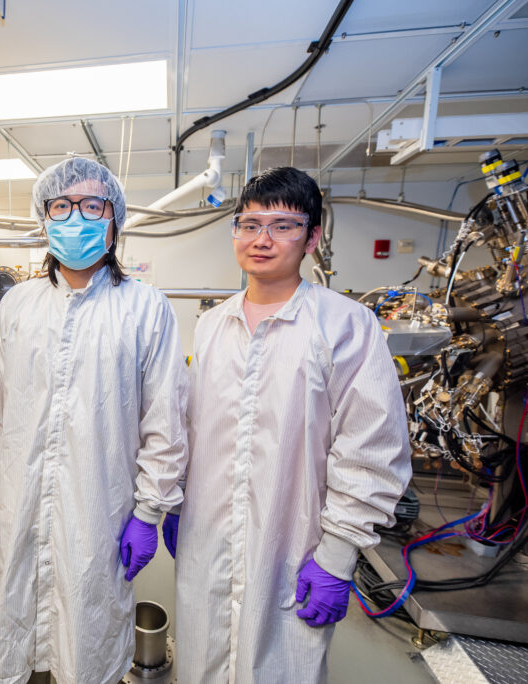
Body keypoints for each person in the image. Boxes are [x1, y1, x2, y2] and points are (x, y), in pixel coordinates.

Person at [167, 167, 412, 683]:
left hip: (294, 547)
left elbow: (371, 449)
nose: (261, 239)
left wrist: (338, 555)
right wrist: (174, 501)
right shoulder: (212, 324)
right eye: (249, 223)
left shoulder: (346, 324)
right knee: (199, 664)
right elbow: (194, 428)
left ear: (313, 237)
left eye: (282, 225)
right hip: (205, 539)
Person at [0, 157, 189, 684]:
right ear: (45, 220)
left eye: (92, 206)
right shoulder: (19, 304)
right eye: (62, 207)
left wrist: (149, 511)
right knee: (14, 623)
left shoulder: (146, 308)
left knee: (88, 635)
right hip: (18, 500)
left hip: (99, 509)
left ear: (114, 221)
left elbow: (166, 418)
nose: (76, 219)